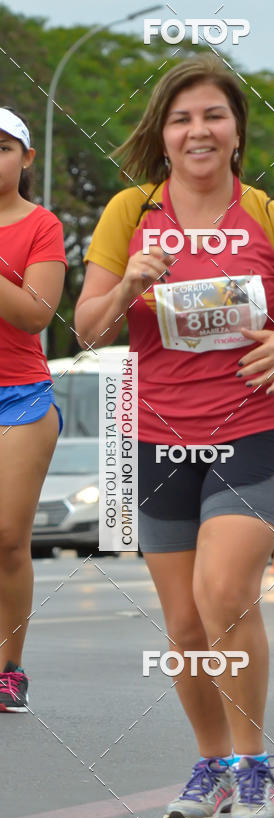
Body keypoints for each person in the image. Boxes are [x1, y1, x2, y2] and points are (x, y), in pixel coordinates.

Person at [75, 58, 274, 818]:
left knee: (223, 594)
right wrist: (127, 284)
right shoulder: (131, 213)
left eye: (213, 117)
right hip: (154, 435)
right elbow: (87, 328)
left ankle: (255, 769)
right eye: (182, 118)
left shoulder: (272, 216)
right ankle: (213, 765)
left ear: (237, 132)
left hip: (252, 428)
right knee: (186, 626)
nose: (198, 130)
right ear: (162, 135)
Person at [0, 108, 66, 712]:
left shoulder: (41, 225)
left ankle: (9, 667)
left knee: (7, 538)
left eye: (1, 147)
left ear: (24, 157)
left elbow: (35, 313)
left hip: (17, 397)